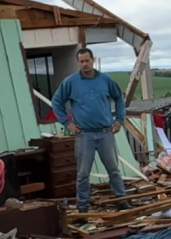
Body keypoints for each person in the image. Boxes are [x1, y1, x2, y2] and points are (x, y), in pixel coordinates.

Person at [52, 47, 132, 213]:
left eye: (87, 60)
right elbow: (57, 102)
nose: (84, 64)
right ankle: (83, 207)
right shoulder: (70, 82)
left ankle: (121, 200)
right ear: (78, 62)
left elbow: (119, 99)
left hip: (105, 133)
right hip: (84, 135)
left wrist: (119, 120)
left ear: (93, 60)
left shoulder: (105, 80)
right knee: (83, 174)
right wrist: (68, 124)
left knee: (114, 170)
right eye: (81, 61)